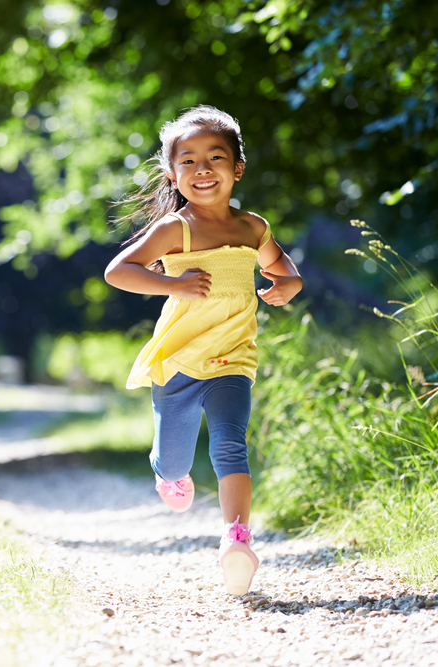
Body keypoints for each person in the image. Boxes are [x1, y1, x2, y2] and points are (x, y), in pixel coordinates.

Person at [104, 106, 303, 595]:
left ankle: (237, 539)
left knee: (230, 443)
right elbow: (118, 271)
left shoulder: (253, 228)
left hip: (233, 360)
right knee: (175, 462)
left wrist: (289, 285)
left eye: (215, 158)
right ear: (172, 173)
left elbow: (283, 269)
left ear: (237, 167)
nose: (202, 170)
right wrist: (173, 284)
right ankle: (166, 472)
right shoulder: (177, 229)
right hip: (179, 360)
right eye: (187, 161)